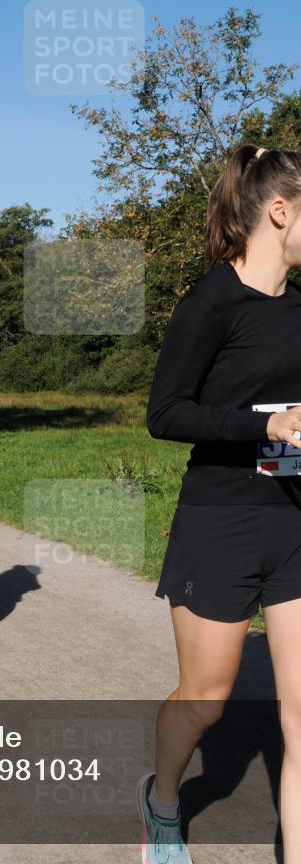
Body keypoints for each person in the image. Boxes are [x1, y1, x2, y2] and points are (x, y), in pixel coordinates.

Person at [140, 145, 301, 864]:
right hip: (220, 520)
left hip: (294, 520)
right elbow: (166, 412)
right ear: (279, 212)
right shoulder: (210, 301)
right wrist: (261, 425)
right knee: (206, 698)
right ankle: (164, 801)